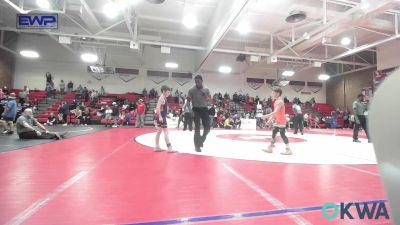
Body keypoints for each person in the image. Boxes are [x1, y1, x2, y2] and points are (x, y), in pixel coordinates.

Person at [262, 87, 292, 155]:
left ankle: (289, 149)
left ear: (278, 93)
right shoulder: (276, 101)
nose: (272, 94)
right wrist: (270, 119)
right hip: (278, 120)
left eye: (273, 93)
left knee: (282, 135)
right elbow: (275, 113)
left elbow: (275, 112)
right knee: (274, 134)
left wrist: (266, 116)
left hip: (281, 120)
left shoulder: (280, 101)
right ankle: (270, 148)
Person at [188, 75, 211, 152]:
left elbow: (209, 101)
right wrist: (190, 111)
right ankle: (197, 146)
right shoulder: (191, 90)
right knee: (197, 128)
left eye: (198, 81)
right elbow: (188, 102)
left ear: (202, 81)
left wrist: (206, 97)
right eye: (196, 82)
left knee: (207, 128)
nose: (197, 83)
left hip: (204, 109)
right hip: (195, 110)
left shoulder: (206, 89)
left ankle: (201, 140)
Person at [154, 85, 175, 152]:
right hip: (161, 117)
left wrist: (167, 115)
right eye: (168, 92)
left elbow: (162, 108)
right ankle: (169, 148)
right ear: (164, 91)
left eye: (169, 92)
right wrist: (160, 117)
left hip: (162, 117)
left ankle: (157, 147)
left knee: (159, 132)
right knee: (166, 132)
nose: (169, 93)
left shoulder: (163, 98)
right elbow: (157, 108)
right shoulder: (161, 98)